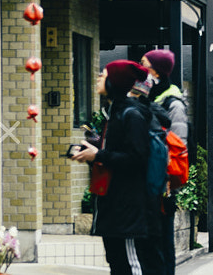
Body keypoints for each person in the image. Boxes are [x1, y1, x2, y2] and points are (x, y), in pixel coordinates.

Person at [72, 60, 163, 275]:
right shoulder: (116, 112)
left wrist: (99, 155)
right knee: (117, 263)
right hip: (115, 204)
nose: (98, 78)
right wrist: (94, 152)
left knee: (130, 265)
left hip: (128, 206)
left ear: (116, 82)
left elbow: (138, 158)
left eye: (103, 75)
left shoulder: (131, 114)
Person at [141, 49, 187, 275]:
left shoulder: (173, 102)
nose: (141, 69)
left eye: (144, 64)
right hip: (151, 178)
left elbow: (178, 144)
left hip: (163, 182)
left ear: (156, 71)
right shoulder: (149, 97)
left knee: (162, 245)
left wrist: (168, 179)